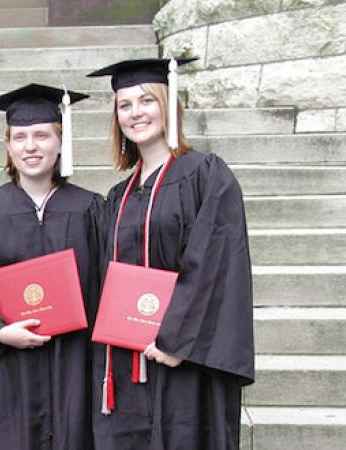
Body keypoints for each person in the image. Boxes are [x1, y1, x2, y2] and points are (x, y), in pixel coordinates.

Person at [86, 58, 255, 449]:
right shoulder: (117, 197)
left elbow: (216, 262)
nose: (135, 113)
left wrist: (177, 341)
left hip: (184, 360)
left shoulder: (206, 176)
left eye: (147, 100)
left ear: (168, 103)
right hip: (126, 361)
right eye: (124, 105)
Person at [0, 84, 104, 449]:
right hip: (6, 367)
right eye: (20, 137)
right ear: (8, 146)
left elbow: (103, 286)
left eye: (41, 135)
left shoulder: (91, 209)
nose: (30, 146)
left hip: (73, 365)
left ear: (61, 142)